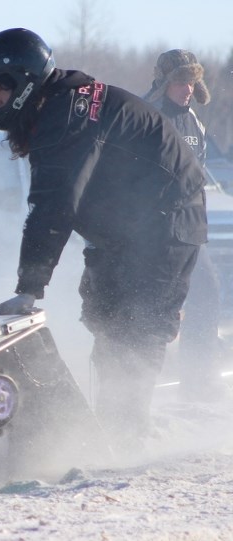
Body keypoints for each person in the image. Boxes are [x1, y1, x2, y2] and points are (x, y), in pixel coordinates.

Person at [0, 28, 207, 446]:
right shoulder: (61, 105)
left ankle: (127, 436)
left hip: (166, 225)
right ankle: (108, 427)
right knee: (105, 314)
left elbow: (54, 201)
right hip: (125, 229)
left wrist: (29, 287)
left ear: (23, 81)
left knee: (137, 325)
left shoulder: (68, 114)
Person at [144, 49, 225, 400]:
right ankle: (136, 390)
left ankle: (198, 382)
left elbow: (198, 178)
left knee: (207, 296)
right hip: (155, 232)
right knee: (156, 312)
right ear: (165, 82)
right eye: (180, 81)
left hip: (190, 230)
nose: (188, 88)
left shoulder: (195, 121)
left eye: (193, 81)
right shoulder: (149, 117)